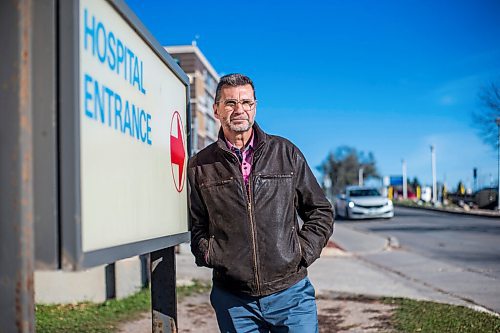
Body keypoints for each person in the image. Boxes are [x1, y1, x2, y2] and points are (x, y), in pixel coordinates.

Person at [188, 73, 334, 332]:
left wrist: (301, 252)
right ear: (216, 110)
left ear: (255, 106)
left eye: (246, 103)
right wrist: (209, 253)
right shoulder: (201, 165)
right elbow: (197, 222)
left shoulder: (285, 153)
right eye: (230, 103)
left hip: (290, 294)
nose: (239, 110)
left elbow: (320, 211)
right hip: (234, 299)